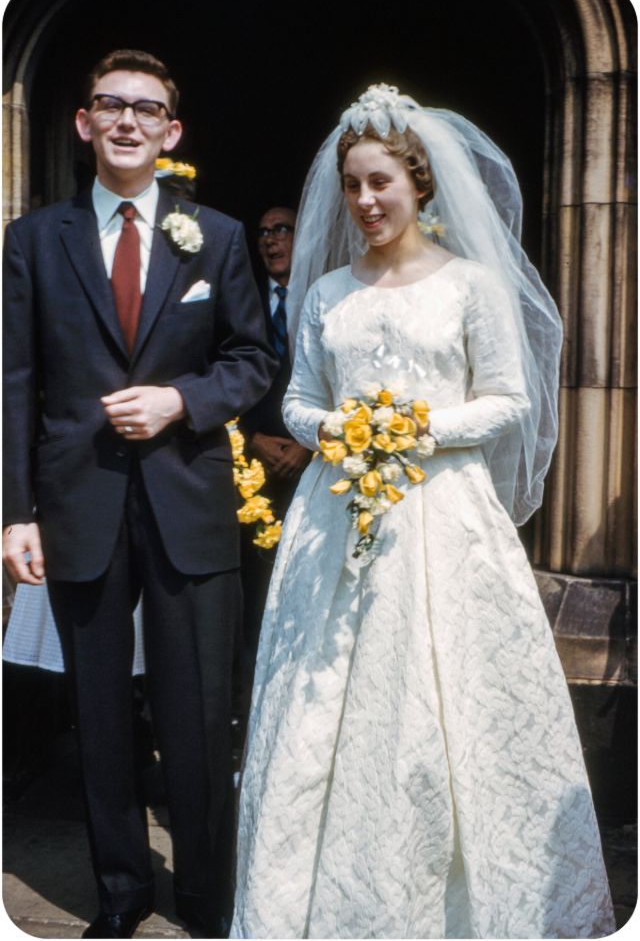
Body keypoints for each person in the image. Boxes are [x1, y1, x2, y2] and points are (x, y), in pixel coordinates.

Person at [230, 85, 615, 938]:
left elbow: (509, 399)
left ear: (421, 184)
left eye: (382, 184)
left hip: (445, 517)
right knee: (324, 703)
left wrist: (410, 430)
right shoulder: (326, 291)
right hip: (339, 521)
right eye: (354, 185)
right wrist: (343, 430)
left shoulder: (473, 286)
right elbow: (297, 399)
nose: (366, 202)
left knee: (444, 709)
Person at [2, 49, 277, 940]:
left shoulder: (220, 237)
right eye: (110, 106)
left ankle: (205, 893)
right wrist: (14, 512)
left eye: (146, 109)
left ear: (171, 131)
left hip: (187, 506)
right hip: (77, 507)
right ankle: (120, 891)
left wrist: (179, 400)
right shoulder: (33, 240)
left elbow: (253, 360)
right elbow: (14, 381)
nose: (128, 121)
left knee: (198, 714)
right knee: (99, 716)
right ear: (83, 123)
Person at [234, 208, 311, 735]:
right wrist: (250, 438)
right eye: (262, 232)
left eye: (281, 229)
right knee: (250, 600)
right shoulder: (240, 297)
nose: (270, 241)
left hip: (314, 469)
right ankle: (247, 714)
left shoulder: (326, 295)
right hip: (248, 471)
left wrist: (308, 447)